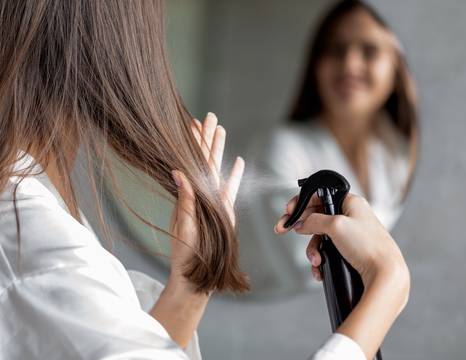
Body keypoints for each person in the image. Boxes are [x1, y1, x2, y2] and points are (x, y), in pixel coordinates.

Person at [0, 1, 409, 359]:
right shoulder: (31, 241)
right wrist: (385, 287)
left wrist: (189, 287)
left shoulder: (32, 220)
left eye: (370, 50)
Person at [245, 0, 417, 291]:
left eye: (369, 50)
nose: (350, 64)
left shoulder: (398, 153)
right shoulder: (282, 148)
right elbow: (312, 272)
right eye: (335, 49)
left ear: (396, 68)